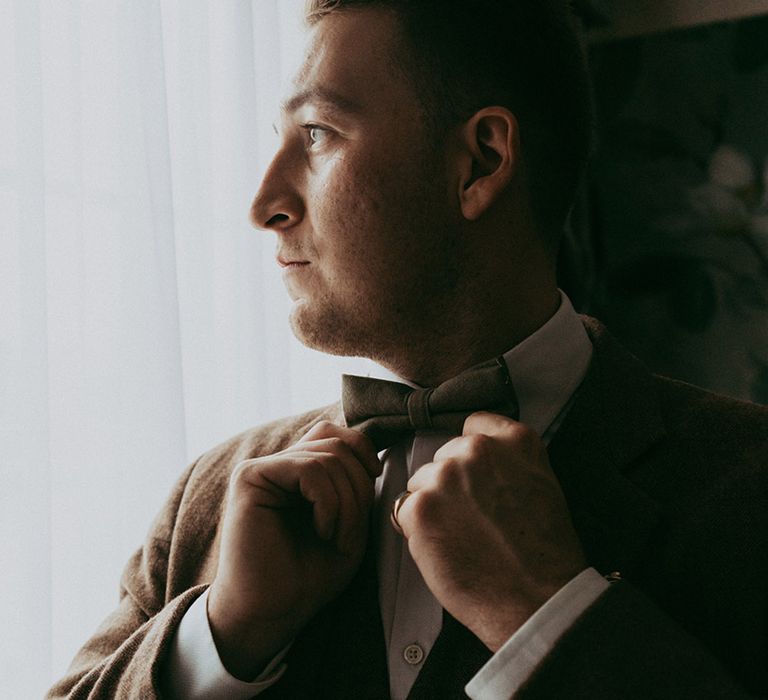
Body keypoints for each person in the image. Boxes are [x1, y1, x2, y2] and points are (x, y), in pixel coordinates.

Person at [48, 1, 768, 698]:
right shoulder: (209, 500)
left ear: (480, 163)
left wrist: (547, 615)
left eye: (318, 133)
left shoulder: (748, 483)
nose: (264, 202)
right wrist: (223, 637)